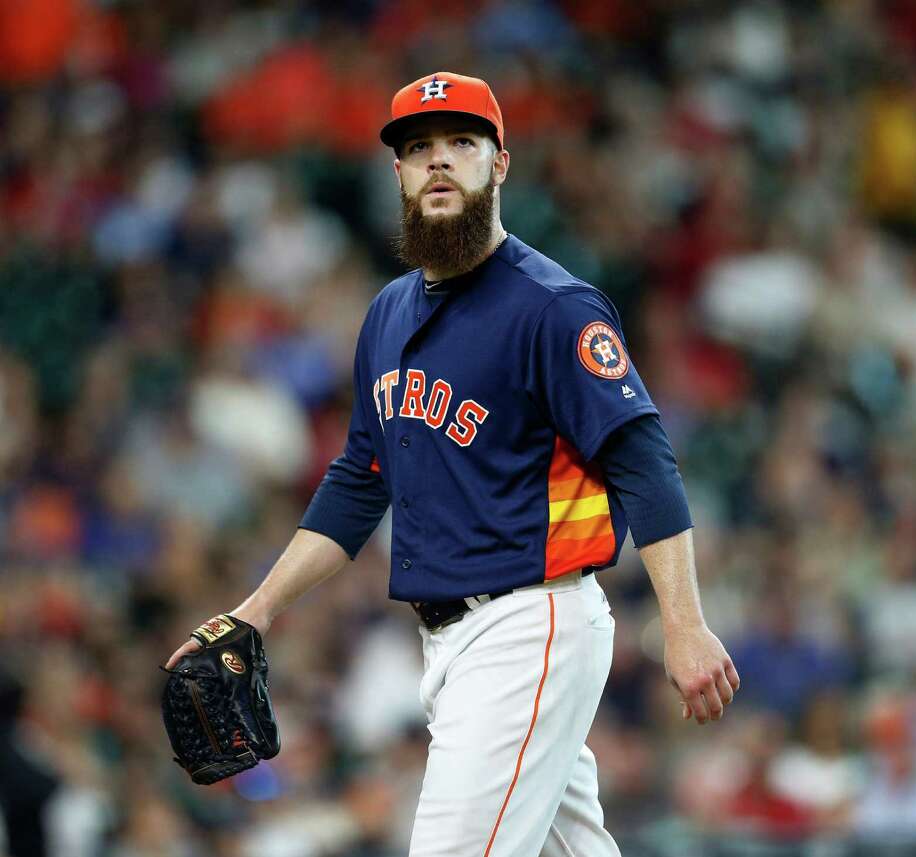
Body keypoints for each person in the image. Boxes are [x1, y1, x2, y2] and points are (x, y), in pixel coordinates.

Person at [165, 71, 739, 856]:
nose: (439, 161)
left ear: (499, 164)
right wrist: (257, 607)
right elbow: (358, 483)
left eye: (461, 144)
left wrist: (685, 623)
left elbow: (645, 460)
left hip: (529, 623)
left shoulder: (551, 306)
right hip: (449, 644)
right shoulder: (388, 314)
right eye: (419, 148)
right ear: (396, 172)